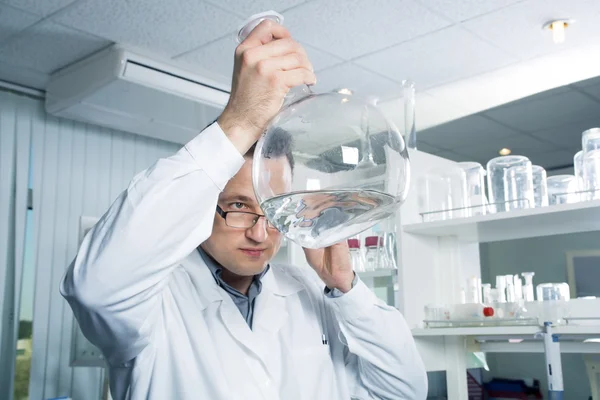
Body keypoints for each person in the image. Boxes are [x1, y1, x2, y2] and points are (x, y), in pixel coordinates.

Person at [60, 19, 427, 400]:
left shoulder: (313, 293)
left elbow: (404, 392)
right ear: (202, 205)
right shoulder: (152, 302)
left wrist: (346, 288)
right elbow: (95, 288)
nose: (259, 232)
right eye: (238, 206)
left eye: (271, 209)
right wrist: (241, 120)